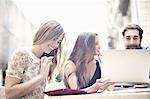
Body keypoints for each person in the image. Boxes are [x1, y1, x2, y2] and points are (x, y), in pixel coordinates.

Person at [5, 20, 65, 99]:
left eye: (58, 41)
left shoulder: (45, 61)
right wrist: (40, 77)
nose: (56, 45)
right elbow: (9, 93)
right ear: (44, 33)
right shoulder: (22, 54)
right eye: (54, 39)